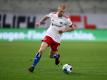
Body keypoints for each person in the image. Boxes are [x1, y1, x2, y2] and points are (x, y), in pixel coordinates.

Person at [28, 4, 77, 72]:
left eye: (63, 11)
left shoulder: (66, 19)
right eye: (60, 11)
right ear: (58, 10)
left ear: (64, 12)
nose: (61, 12)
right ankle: (33, 66)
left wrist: (64, 30)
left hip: (57, 39)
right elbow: (46, 17)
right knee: (41, 50)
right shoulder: (53, 14)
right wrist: (40, 22)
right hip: (49, 35)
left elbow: (73, 28)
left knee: (51, 56)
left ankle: (56, 56)